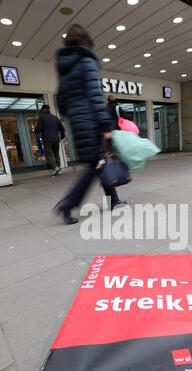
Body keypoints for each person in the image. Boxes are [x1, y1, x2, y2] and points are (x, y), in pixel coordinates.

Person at [54, 24, 123, 225]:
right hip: (92, 122)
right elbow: (95, 96)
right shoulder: (86, 60)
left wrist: (76, 116)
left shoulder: (64, 67)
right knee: (96, 165)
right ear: (86, 40)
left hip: (78, 123)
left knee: (101, 162)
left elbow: (62, 101)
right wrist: (104, 125)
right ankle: (67, 204)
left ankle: (114, 200)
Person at [35, 104, 65, 176]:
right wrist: (62, 136)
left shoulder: (42, 118)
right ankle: (59, 169)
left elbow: (38, 128)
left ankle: (55, 168)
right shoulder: (55, 118)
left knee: (49, 154)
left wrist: (35, 130)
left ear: (43, 110)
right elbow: (62, 128)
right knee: (56, 154)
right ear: (49, 110)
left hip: (47, 139)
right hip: (56, 139)